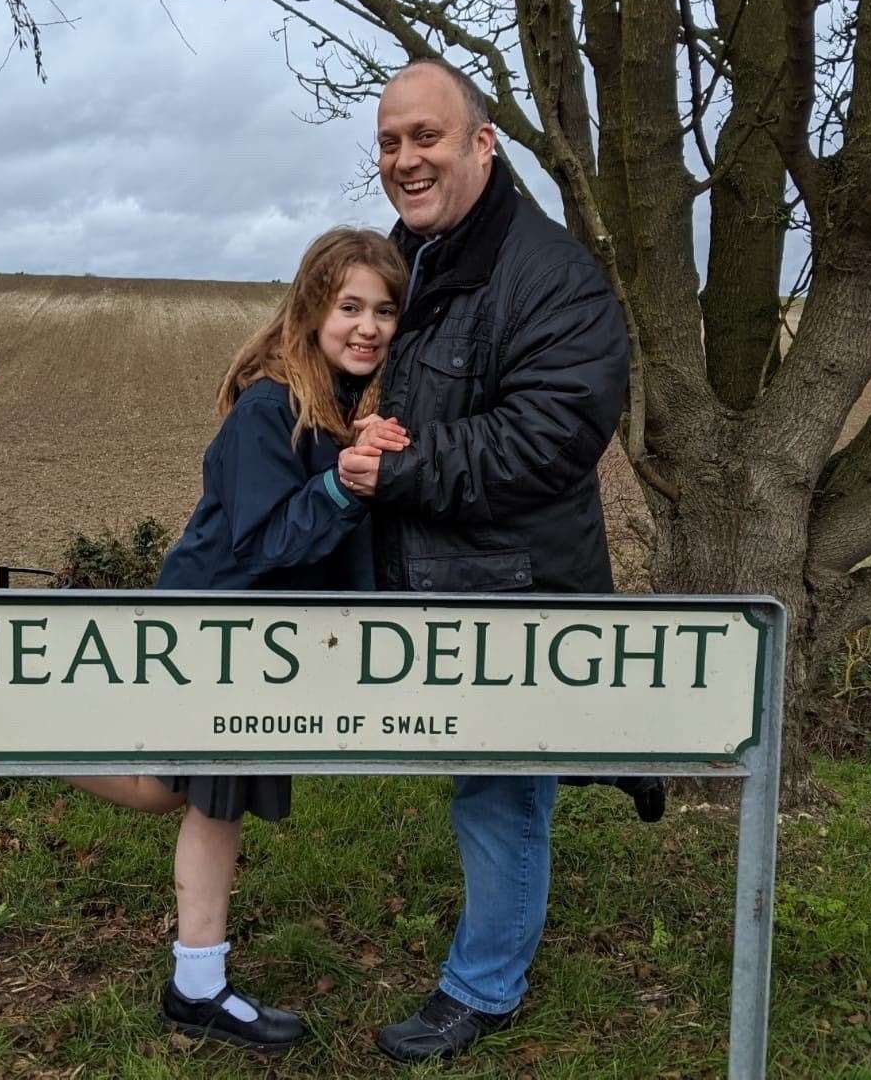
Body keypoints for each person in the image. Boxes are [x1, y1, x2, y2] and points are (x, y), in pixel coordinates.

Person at [336, 58, 631, 1063]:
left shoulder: (547, 275)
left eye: (425, 136)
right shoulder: (423, 259)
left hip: (512, 594)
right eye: (388, 142)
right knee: (484, 781)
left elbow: (546, 439)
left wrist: (394, 469)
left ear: (481, 143)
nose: (404, 158)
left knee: (500, 789)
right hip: (440, 585)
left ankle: (482, 988)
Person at [71, 227, 409, 1052]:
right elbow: (266, 541)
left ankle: (196, 986)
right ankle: (12, 747)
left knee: (198, 795)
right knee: (189, 792)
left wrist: (352, 455)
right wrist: (343, 482)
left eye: (386, 311)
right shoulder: (272, 406)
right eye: (350, 306)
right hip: (219, 628)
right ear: (312, 307)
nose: (368, 326)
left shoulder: (328, 403)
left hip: (258, 639)